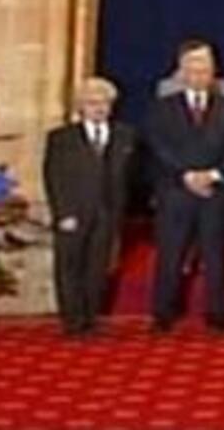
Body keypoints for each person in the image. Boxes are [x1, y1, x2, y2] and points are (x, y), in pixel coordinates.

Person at [144, 39, 224, 333]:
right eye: (193, 67)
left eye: (205, 68)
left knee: (217, 256)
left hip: (217, 192)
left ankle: (218, 315)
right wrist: (186, 175)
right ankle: (164, 314)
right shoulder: (163, 108)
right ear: (182, 71)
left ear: (213, 72)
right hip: (176, 191)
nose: (199, 73)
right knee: (171, 255)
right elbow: (157, 146)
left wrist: (214, 174)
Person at [42, 76, 135, 336]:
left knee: (98, 268)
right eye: (92, 103)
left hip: (108, 213)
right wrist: (63, 213)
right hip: (73, 214)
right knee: (70, 266)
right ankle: (73, 320)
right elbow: (53, 177)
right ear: (81, 106)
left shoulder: (125, 136)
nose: (98, 108)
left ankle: (91, 318)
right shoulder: (62, 138)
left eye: (104, 102)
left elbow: (130, 177)